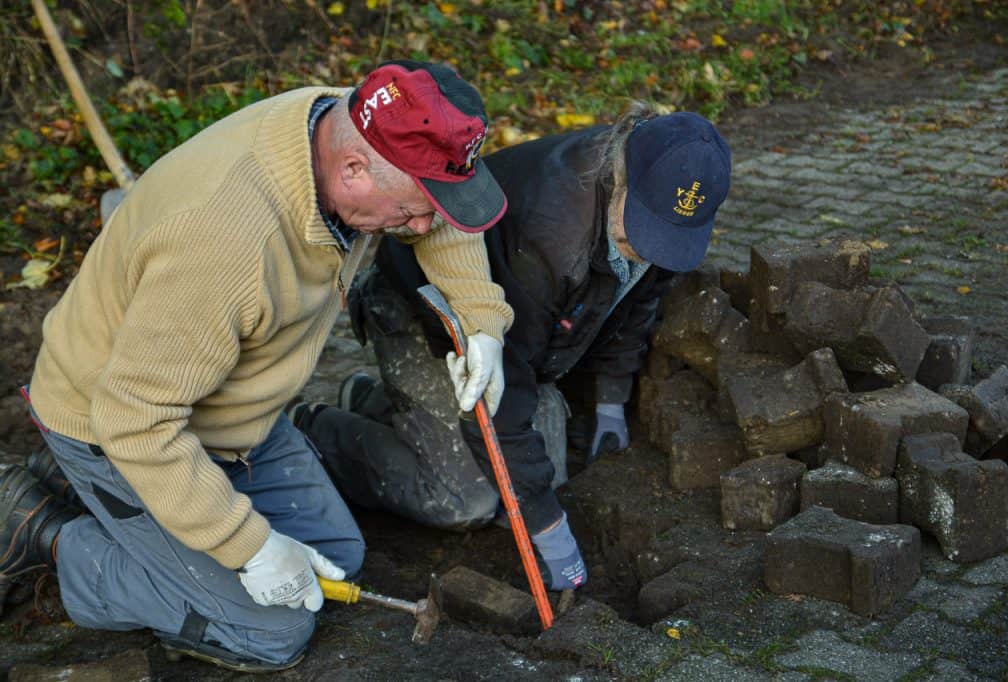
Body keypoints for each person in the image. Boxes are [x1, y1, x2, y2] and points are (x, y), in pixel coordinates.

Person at [0, 60, 513, 672]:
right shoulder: (223, 246)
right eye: (411, 213)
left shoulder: (344, 122)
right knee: (270, 631)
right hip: (115, 425)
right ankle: (48, 529)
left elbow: (434, 203)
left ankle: (117, 505)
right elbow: (135, 421)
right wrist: (249, 546)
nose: (423, 228)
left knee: (332, 561)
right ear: (353, 171)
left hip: (234, 415)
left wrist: (480, 321)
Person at [292, 103, 732, 592]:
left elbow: (635, 304)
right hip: (422, 311)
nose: (651, 248)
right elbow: (508, 389)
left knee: (540, 477)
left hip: (517, 336)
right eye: (642, 232)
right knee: (466, 500)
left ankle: (378, 404)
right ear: (621, 177)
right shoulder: (550, 233)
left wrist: (611, 399)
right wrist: (547, 526)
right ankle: (317, 430)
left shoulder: (662, 210)